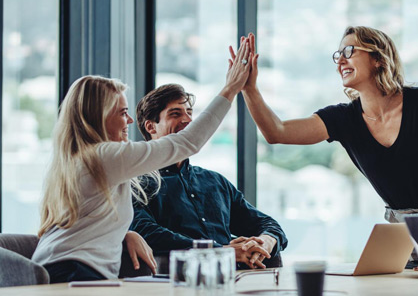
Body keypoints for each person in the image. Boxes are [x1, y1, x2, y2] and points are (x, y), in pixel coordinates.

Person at [236, 26, 418, 267]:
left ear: (377, 58)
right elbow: (277, 132)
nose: (340, 60)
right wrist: (249, 89)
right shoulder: (343, 119)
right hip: (404, 226)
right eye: (338, 54)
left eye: (350, 51)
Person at [31, 37, 253, 283]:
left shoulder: (77, 159)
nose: (129, 121)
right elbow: (187, 142)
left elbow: (86, 221)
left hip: (58, 268)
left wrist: (126, 233)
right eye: (122, 112)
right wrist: (230, 89)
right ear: (99, 116)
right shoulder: (103, 156)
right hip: (74, 273)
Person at [130, 84, 288, 269]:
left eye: (189, 112)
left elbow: (268, 224)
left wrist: (265, 242)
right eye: (175, 114)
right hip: (178, 282)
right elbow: (146, 232)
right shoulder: (137, 183)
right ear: (151, 127)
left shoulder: (215, 181)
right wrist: (220, 251)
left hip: (237, 281)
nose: (188, 120)